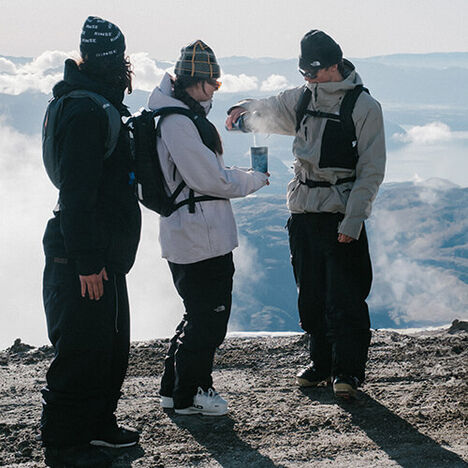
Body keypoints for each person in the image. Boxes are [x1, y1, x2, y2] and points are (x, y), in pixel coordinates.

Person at [226, 30, 386, 399]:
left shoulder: (363, 107)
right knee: (310, 293)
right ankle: (321, 365)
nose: (308, 80)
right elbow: (269, 110)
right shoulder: (302, 98)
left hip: (339, 213)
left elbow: (372, 171)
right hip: (302, 211)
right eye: (303, 74)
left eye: (313, 73)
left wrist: (354, 220)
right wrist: (243, 110)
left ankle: (348, 371)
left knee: (345, 296)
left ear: (334, 66)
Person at [147, 40, 269, 415]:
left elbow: (205, 175)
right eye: (213, 83)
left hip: (192, 233)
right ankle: (193, 393)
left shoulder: (174, 116)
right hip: (200, 238)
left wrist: (242, 177)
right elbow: (210, 179)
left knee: (197, 314)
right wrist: (255, 179)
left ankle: (174, 390)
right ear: (196, 83)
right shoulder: (179, 122)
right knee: (210, 320)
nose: (216, 89)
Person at [40, 16, 141, 467]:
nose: (121, 66)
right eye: (116, 58)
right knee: (82, 349)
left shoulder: (93, 103)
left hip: (101, 250)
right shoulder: (85, 111)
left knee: (110, 345)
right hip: (81, 252)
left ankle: (99, 425)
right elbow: (76, 194)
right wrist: (85, 261)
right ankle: (65, 446)